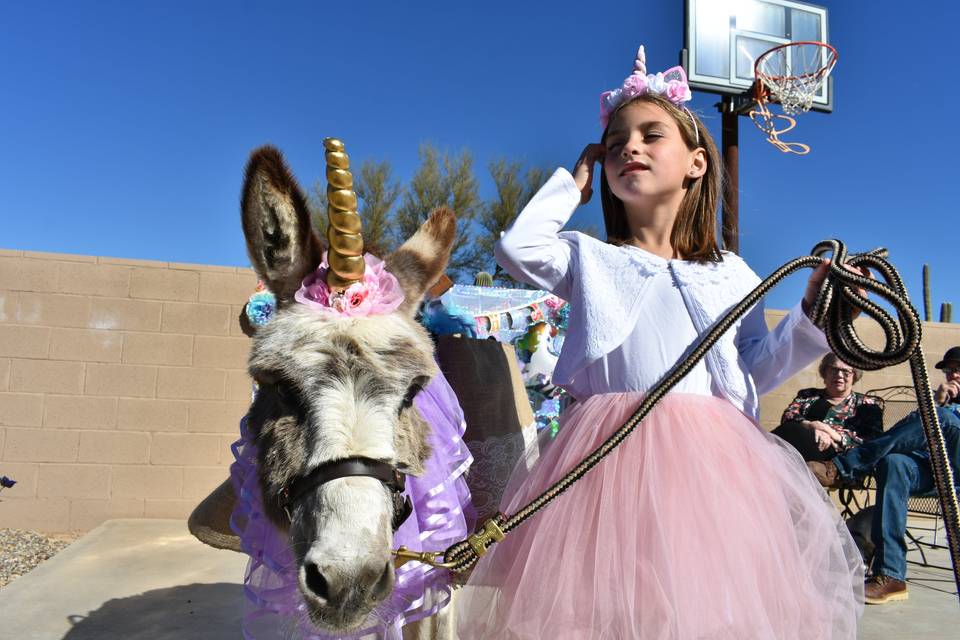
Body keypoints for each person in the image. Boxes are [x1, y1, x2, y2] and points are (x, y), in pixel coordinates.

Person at [456, 45, 862, 639]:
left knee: (698, 606)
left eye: (652, 135)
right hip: (605, 462)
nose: (630, 147)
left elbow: (754, 370)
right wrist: (573, 183)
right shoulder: (589, 259)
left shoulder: (731, 274)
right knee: (607, 608)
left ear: (697, 163)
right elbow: (519, 249)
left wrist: (808, 318)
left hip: (713, 470)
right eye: (616, 139)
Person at [808, 346, 960, 604]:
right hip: (928, 470)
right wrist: (933, 404)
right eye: (950, 371)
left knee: (942, 418)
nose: (953, 376)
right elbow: (909, 432)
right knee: (893, 462)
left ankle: (844, 467)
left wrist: (940, 412)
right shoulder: (943, 403)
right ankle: (890, 575)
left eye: (959, 370)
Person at [773, 353, 884, 461]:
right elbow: (788, 416)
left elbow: (874, 440)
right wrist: (812, 426)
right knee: (787, 432)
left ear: (854, 375)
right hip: (798, 442)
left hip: (836, 460)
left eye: (846, 371)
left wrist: (831, 433)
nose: (839, 375)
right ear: (825, 373)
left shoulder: (867, 404)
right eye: (834, 369)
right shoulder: (808, 394)